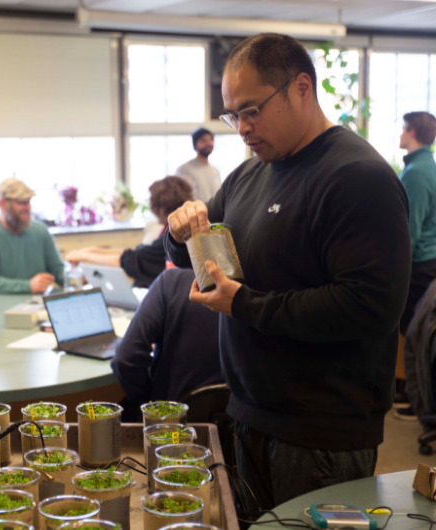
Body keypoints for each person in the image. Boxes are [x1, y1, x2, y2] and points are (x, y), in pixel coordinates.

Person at [165, 33, 410, 510]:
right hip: (248, 416)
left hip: (320, 436)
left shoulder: (358, 177)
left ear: (302, 88)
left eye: (252, 110)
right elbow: (186, 257)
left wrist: (244, 304)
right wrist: (179, 232)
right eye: (233, 114)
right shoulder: (248, 174)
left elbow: (369, 307)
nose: (241, 128)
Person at [111, 267, 222, 405]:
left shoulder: (172, 282)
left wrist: (146, 400)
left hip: (167, 420)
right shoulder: (252, 289)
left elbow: (124, 358)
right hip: (239, 420)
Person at [65, 176, 192, 288]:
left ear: (161, 207)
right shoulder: (171, 229)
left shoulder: (174, 235)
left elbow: (133, 259)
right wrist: (91, 250)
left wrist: (84, 256)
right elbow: (140, 252)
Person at [395, 111, 436, 421]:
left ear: (411, 132)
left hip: (420, 265)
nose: (400, 134)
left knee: (410, 331)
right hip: (427, 263)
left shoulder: (417, 172)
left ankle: (412, 398)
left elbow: (409, 232)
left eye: (402, 129)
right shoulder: (423, 166)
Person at [0, 178, 64, 294]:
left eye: (29, 201)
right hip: (0, 308)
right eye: (22, 202)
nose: (28, 207)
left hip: (40, 307)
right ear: (2, 203)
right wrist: (28, 286)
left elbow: (59, 271)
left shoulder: (41, 231)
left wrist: (76, 275)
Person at [175, 127, 221, 203]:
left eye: (210, 140)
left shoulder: (216, 171)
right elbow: (179, 197)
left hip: (216, 214)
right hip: (194, 214)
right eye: (203, 140)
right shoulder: (184, 169)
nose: (208, 143)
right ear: (195, 145)